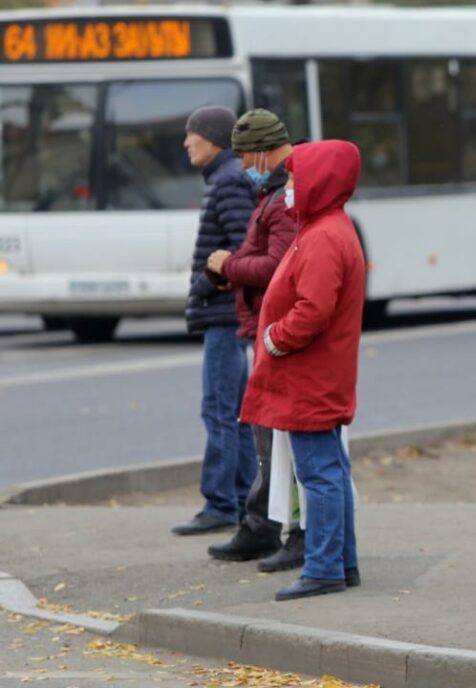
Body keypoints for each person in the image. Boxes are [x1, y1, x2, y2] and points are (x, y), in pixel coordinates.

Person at [239, 139, 365, 602]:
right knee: (329, 469)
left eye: (295, 178)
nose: (289, 186)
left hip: (310, 373)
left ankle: (325, 567)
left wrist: (273, 338)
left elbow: (312, 310)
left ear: (320, 181)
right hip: (317, 372)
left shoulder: (324, 235)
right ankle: (341, 563)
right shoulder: (324, 227)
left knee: (320, 474)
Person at [206, 109, 302, 571]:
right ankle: (265, 525)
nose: (242, 164)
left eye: (245, 155)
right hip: (264, 327)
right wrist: (236, 266)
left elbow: (277, 264)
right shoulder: (270, 190)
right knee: (270, 439)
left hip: (276, 333)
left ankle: (272, 529)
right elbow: (261, 254)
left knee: (280, 442)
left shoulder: (284, 197)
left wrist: (229, 267)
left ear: (263, 151)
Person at [172, 106, 258, 536]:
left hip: (224, 318)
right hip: (226, 315)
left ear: (216, 140)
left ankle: (221, 502)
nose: (187, 142)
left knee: (220, 409)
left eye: (194, 134)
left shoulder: (226, 183)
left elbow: (243, 248)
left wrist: (209, 281)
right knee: (236, 411)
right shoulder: (227, 180)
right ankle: (241, 498)